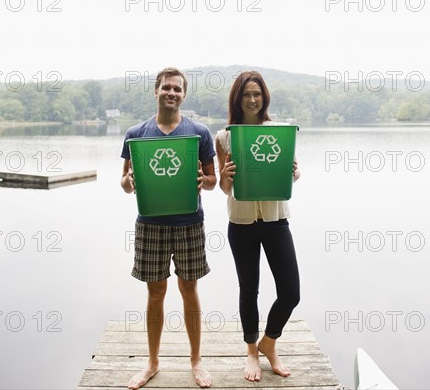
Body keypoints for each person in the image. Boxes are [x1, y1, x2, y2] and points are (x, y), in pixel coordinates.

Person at [120, 67, 217, 389]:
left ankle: (196, 361)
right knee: (155, 292)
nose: (171, 93)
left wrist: (205, 180)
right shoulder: (136, 134)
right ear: (156, 91)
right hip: (150, 223)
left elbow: (213, 180)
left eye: (177, 88)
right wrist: (129, 181)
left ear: (184, 94)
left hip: (190, 221)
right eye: (166, 87)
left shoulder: (199, 133)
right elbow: (124, 182)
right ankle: (152, 363)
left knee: (189, 289)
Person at [215, 70, 301, 382]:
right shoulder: (224, 136)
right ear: (237, 99)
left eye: (257, 94)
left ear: (264, 97)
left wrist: (293, 172)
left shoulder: (279, 132)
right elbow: (225, 188)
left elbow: (286, 178)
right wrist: (226, 173)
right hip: (241, 222)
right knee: (249, 289)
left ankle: (269, 342)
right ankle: (252, 351)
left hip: (276, 220)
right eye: (246, 94)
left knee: (291, 292)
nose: (252, 100)